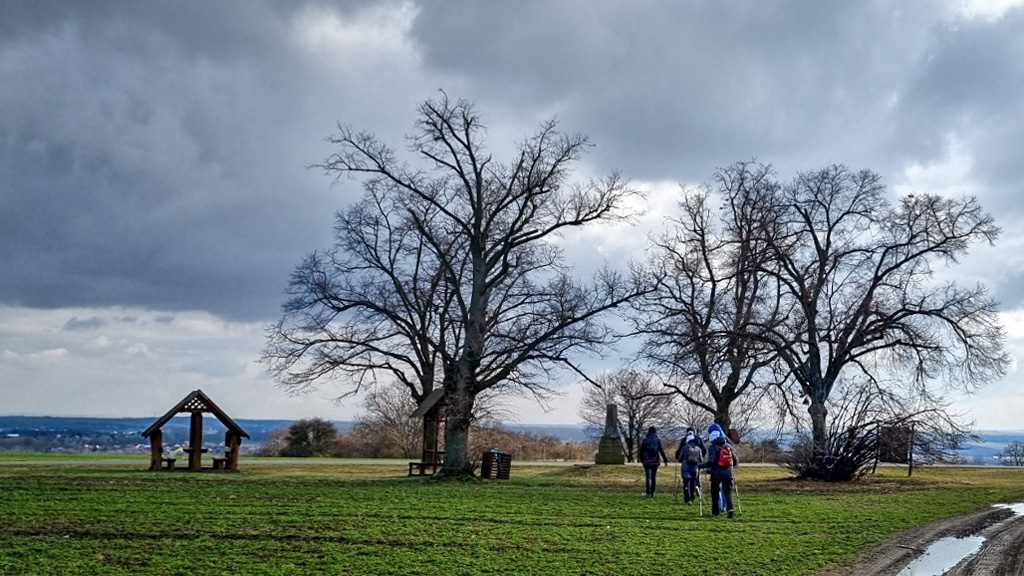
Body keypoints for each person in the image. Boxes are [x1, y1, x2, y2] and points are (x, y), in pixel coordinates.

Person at [699, 423, 738, 517]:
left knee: (715, 493)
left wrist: (701, 466)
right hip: (728, 472)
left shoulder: (713, 447)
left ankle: (715, 512)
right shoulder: (728, 446)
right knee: (727, 492)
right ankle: (730, 509)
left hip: (716, 473)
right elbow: (735, 461)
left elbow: (711, 461)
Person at [675, 427, 705, 504]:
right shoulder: (698, 449)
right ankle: (692, 497)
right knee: (693, 482)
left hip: (686, 467)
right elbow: (701, 460)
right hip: (695, 468)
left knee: (686, 483)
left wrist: (680, 460)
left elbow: (680, 458)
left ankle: (687, 498)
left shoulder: (685, 447)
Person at [638, 426, 670, 497]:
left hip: (647, 461)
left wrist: (641, 459)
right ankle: (652, 492)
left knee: (648, 477)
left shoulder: (645, 440)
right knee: (653, 477)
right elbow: (661, 451)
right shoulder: (657, 440)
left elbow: (641, 451)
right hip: (655, 461)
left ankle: (648, 492)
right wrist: (665, 460)